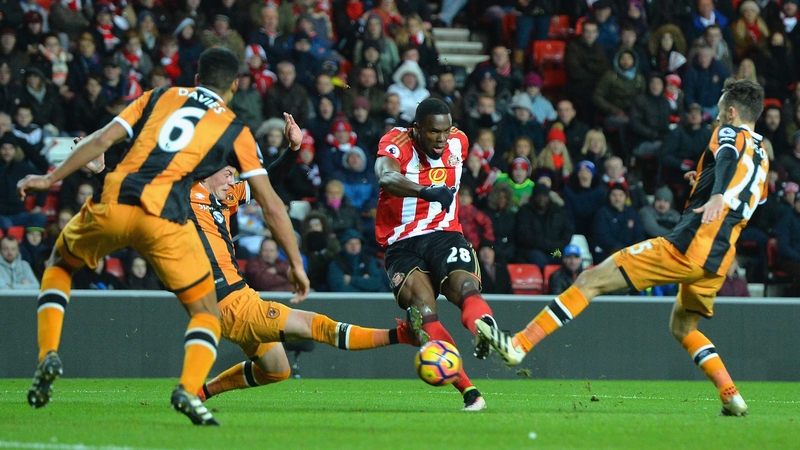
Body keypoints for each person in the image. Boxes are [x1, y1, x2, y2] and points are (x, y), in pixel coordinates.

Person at [16, 48, 308, 426]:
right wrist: (297, 264)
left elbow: (102, 139)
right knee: (206, 313)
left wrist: (49, 179)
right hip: (164, 221)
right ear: (234, 87)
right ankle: (189, 388)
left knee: (60, 265)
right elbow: (271, 204)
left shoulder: (158, 97)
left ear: (197, 78)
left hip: (117, 201)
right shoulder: (234, 129)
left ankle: (48, 353)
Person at [477, 79, 767, 417]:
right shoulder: (762, 154)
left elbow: (728, 159)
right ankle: (730, 394)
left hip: (691, 244)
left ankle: (518, 345)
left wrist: (716, 193)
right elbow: (749, 194)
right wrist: (705, 184)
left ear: (732, 112)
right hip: (719, 259)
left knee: (590, 280)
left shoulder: (730, 134)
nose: (716, 119)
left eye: (719, 113)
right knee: (683, 327)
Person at [187, 163, 421, 403]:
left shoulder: (223, 198)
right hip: (230, 303)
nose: (231, 181)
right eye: (226, 174)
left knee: (277, 370)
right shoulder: (185, 197)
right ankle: (399, 336)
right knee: (317, 326)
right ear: (206, 174)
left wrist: (292, 150)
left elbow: (264, 180)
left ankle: (200, 393)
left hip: (238, 297)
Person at [375, 97, 501, 411]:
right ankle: (470, 391)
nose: (441, 139)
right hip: (402, 243)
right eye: (433, 132)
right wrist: (424, 191)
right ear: (416, 129)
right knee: (422, 310)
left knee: (464, 286)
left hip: (445, 234)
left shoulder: (460, 142)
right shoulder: (396, 141)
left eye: (445, 132)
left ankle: (485, 328)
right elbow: (385, 176)